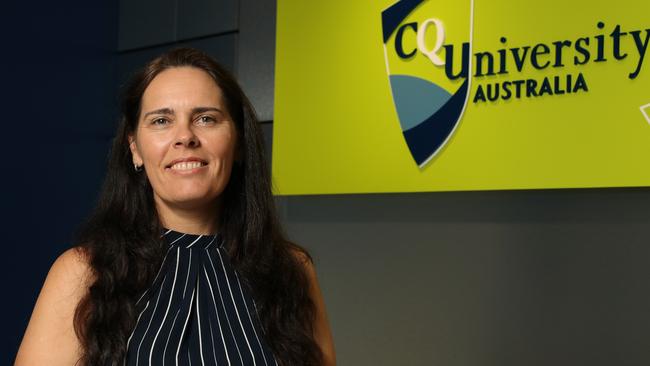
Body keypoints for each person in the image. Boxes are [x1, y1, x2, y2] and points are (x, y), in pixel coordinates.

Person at [15, 47, 336, 366]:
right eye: (161, 120)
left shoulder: (292, 268)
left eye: (206, 118)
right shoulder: (82, 272)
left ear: (238, 143)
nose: (185, 136)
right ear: (135, 149)